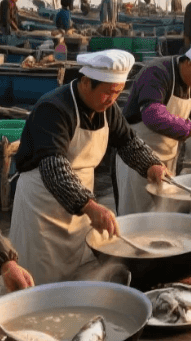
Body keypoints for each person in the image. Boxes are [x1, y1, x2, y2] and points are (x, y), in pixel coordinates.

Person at [10, 50, 167, 285]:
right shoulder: (53, 109)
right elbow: (55, 168)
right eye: (107, 92)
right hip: (42, 207)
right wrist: (91, 206)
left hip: (80, 204)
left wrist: (151, 165)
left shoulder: (107, 109)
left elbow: (128, 142)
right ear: (86, 82)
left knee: (75, 277)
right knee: (39, 283)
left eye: (118, 92)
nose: (112, 99)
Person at [114, 40, 191, 215]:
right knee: (137, 215)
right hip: (136, 160)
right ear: (189, 63)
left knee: (161, 216)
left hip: (167, 160)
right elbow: (152, 115)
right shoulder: (157, 73)